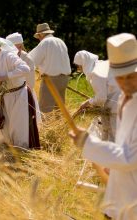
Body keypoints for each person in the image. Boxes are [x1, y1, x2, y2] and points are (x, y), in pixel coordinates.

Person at [70, 33, 137, 220]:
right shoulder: (125, 98)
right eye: (119, 78)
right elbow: (123, 146)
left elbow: (129, 157)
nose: (124, 84)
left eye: (130, 76)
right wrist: (109, 166)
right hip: (120, 191)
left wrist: (89, 145)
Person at [0, 36, 40, 149]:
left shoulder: (9, 56)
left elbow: (25, 68)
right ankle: (8, 153)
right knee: (3, 128)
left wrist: (6, 76)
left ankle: (22, 154)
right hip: (2, 98)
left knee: (19, 128)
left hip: (19, 96)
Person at [73, 50, 121, 141]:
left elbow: (101, 98)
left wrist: (87, 103)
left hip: (117, 104)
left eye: (79, 66)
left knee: (115, 135)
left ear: (84, 63)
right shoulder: (101, 65)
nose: (79, 69)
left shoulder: (96, 72)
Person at [28, 23, 71, 113]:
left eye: (38, 36)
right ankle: (60, 126)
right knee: (59, 108)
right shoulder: (60, 41)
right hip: (64, 79)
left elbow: (31, 61)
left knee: (45, 109)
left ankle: (45, 127)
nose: (39, 39)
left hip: (51, 80)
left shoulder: (45, 42)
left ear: (40, 34)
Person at [6, 32, 42, 125]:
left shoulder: (27, 58)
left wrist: (23, 94)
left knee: (25, 120)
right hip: (9, 93)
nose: (18, 49)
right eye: (15, 47)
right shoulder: (6, 57)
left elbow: (30, 82)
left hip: (24, 93)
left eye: (20, 46)